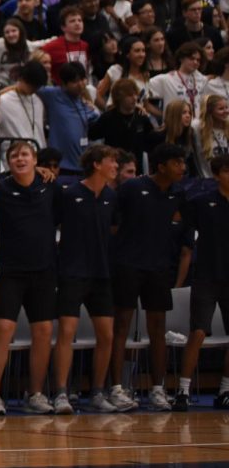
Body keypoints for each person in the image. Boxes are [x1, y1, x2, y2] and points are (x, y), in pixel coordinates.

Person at [109, 143, 190, 412]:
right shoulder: (133, 188)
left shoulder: (178, 193)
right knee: (121, 326)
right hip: (128, 264)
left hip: (158, 268)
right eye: (177, 163)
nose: (183, 168)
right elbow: (113, 222)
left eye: (183, 162)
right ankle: (117, 389)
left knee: (157, 328)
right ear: (161, 166)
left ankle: (157, 389)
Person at [0, 141, 55, 415]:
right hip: (9, 271)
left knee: (44, 331)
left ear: (35, 159)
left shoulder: (49, 187)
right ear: (8, 162)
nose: (20, 158)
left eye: (25, 154)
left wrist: (49, 172)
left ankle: (35, 394)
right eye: (14, 155)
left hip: (43, 270)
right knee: (3, 329)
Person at [52, 143, 125, 414]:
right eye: (112, 161)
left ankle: (97, 391)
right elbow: (55, 224)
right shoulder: (70, 194)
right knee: (66, 333)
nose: (115, 167)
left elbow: (115, 228)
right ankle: (61, 393)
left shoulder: (111, 197)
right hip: (72, 272)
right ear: (97, 164)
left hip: (102, 274)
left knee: (106, 334)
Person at [174, 155, 229, 411]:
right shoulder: (202, 203)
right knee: (197, 332)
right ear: (218, 174)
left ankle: (225, 390)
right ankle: (183, 391)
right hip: (207, 276)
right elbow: (180, 228)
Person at [37, 62, 100, 175]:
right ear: (64, 84)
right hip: (59, 167)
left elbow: (96, 118)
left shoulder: (84, 103)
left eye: (82, 79)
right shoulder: (53, 94)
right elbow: (27, 86)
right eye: (75, 81)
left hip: (81, 166)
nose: (80, 84)